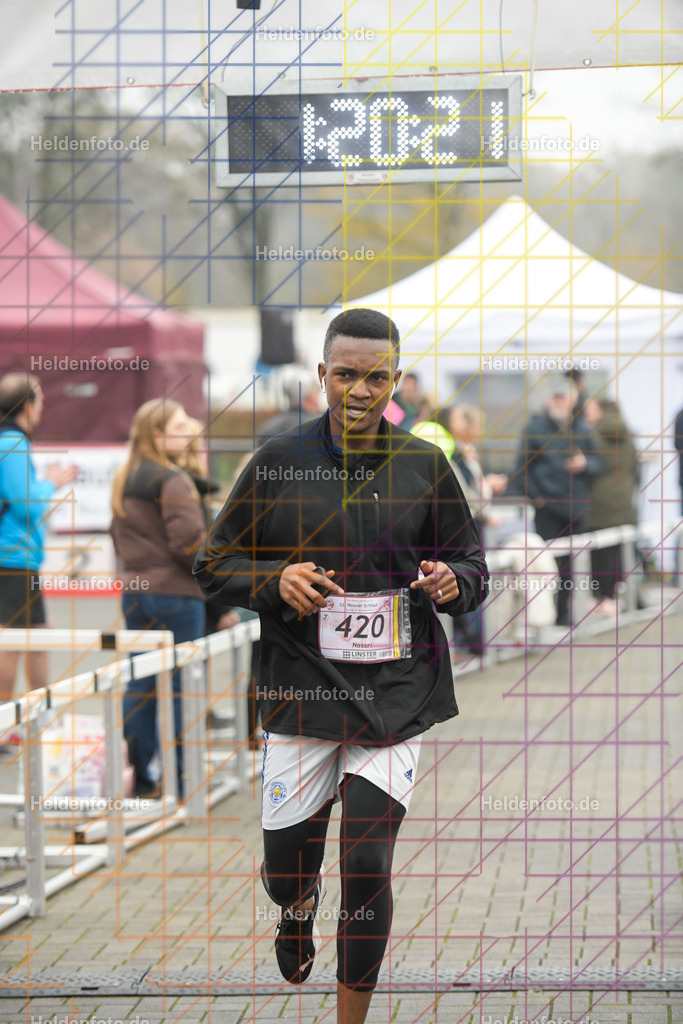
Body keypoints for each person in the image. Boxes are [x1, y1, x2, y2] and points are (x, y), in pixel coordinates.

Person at [194, 308, 488, 1024]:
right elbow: (211, 564)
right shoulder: (275, 462)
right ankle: (295, 905)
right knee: (285, 867)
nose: (360, 389)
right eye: (347, 375)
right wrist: (274, 582)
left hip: (394, 691)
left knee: (365, 863)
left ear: (395, 380)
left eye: (376, 376)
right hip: (302, 691)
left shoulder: (423, 462)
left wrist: (454, 582)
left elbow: (472, 565)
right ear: (323, 375)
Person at [110, 399, 206, 799]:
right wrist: (216, 571)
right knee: (185, 688)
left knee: (139, 685)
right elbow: (189, 540)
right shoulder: (171, 478)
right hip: (177, 594)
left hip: (135, 593)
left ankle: (143, 779)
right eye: (180, 426)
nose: (188, 433)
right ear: (157, 433)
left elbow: (116, 536)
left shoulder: (124, 477)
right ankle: (184, 781)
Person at [0, 373, 77, 704]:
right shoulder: (12, 442)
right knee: (16, 643)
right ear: (26, 405)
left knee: (35, 639)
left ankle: (36, 717)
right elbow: (26, 504)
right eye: (40, 398)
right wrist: (50, 484)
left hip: (15, 557)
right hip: (13, 556)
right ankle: (14, 720)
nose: (43, 405)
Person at [514, 376, 601, 626]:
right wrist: (536, 497)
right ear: (548, 400)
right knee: (545, 564)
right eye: (556, 397)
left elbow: (599, 463)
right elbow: (521, 468)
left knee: (571, 566)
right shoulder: (534, 428)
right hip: (547, 508)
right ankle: (545, 616)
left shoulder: (582, 428)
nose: (560, 402)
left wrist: (585, 464)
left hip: (575, 508)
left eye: (564, 397)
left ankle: (564, 613)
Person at [444, 404, 507, 656]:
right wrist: (488, 492)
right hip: (462, 529)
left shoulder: (468, 453)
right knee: (464, 581)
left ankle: (475, 641)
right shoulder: (453, 455)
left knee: (473, 581)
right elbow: (467, 495)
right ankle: (470, 642)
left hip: (472, 524)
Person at [583, 398, 640, 615]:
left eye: (591, 409)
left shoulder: (592, 436)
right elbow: (636, 471)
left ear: (601, 411)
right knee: (616, 554)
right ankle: (611, 598)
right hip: (623, 501)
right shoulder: (629, 436)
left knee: (598, 553)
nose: (587, 413)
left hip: (597, 503)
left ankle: (599, 599)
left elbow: (590, 469)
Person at [259, 366, 324, 439]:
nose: (319, 396)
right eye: (316, 390)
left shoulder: (268, 428)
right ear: (309, 396)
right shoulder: (320, 429)